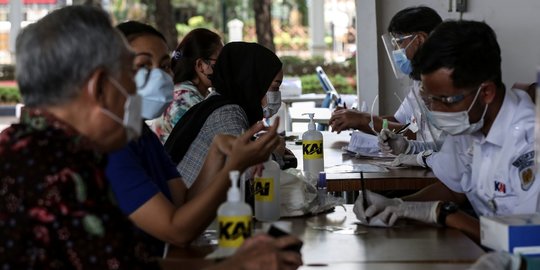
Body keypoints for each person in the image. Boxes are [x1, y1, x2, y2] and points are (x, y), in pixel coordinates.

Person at [0, 6, 302, 269]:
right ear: (99, 87)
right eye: (132, 76)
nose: (138, 90)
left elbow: (129, 260)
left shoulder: (48, 148)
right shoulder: (57, 166)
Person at [353, 20, 539, 243]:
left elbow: (525, 240)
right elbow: (453, 188)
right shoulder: (469, 124)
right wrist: (398, 206)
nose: (437, 110)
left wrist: (443, 214)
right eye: (429, 100)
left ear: (486, 91)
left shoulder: (529, 141)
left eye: (445, 100)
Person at [165, 42, 284, 188]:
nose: (277, 95)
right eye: (275, 87)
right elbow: (248, 173)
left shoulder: (218, 102)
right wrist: (276, 153)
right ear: (252, 81)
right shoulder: (227, 113)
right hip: (188, 206)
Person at [329, 6, 444, 158]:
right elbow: (400, 121)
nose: (397, 51)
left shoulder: (443, 82)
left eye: (399, 43)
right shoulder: (418, 81)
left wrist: (362, 120)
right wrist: (356, 117)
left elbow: (416, 133)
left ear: (420, 39)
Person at [153, 28, 223, 143]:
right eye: (220, 61)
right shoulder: (184, 101)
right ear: (201, 65)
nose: (225, 66)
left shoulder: (197, 95)